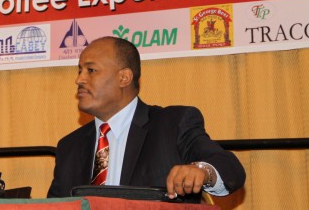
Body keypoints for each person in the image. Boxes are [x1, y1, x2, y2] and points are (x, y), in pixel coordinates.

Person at [48, 36, 245, 201]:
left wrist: (202, 171)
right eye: (79, 70)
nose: (79, 79)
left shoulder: (172, 124)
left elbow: (230, 168)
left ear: (124, 78)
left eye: (91, 70)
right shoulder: (69, 147)